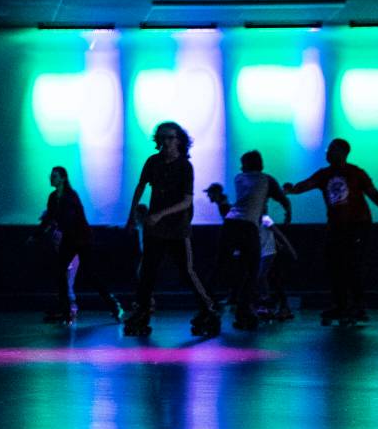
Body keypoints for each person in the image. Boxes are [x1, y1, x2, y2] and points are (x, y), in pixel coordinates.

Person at [283, 138, 378, 324]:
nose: (327, 153)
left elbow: (373, 193)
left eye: (331, 150)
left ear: (343, 153)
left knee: (353, 265)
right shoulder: (324, 174)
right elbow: (306, 185)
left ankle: (357, 307)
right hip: (336, 226)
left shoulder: (356, 172)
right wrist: (291, 190)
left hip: (358, 225)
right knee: (335, 265)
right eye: (328, 150)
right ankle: (341, 306)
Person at [123, 121, 219, 336]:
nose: (166, 142)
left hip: (177, 227)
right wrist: (131, 217)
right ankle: (142, 312)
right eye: (162, 138)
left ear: (179, 140)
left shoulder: (184, 166)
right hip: (155, 227)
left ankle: (209, 310)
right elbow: (140, 187)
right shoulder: (153, 161)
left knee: (186, 271)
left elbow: (186, 201)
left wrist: (160, 214)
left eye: (170, 138)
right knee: (147, 272)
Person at [38, 166, 123, 324]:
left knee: (90, 274)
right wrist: (36, 234)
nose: (51, 178)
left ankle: (113, 305)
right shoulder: (53, 197)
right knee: (60, 272)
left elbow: (68, 218)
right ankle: (66, 312)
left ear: (63, 178)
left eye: (55, 176)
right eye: (51, 176)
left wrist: (56, 224)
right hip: (69, 239)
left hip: (82, 239)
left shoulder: (71, 196)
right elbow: (50, 217)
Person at [217, 151, 291, 330]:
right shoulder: (266, 179)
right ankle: (244, 310)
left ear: (247, 165)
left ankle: (208, 304)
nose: (240, 167)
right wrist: (288, 213)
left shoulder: (239, 178)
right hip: (247, 226)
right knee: (252, 271)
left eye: (243, 164)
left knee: (222, 266)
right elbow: (282, 199)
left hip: (230, 223)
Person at [256, 215, 298, 320]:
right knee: (273, 279)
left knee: (262, 276)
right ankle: (278, 306)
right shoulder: (252, 220)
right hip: (260, 253)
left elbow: (279, 235)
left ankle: (266, 302)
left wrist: (291, 250)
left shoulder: (265, 219)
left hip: (269, 253)